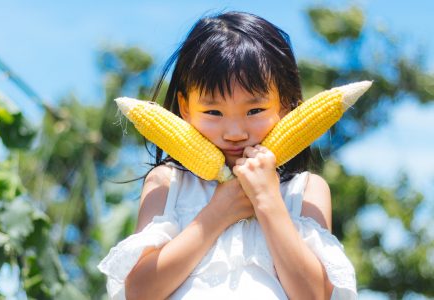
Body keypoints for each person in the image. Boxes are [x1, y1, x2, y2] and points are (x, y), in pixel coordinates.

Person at [98, 11, 357, 300]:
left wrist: (268, 202)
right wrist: (218, 213)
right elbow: (139, 292)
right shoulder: (167, 183)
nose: (234, 132)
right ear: (185, 109)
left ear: (285, 106)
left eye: (254, 110)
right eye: (213, 112)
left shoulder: (306, 190)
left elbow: (313, 296)